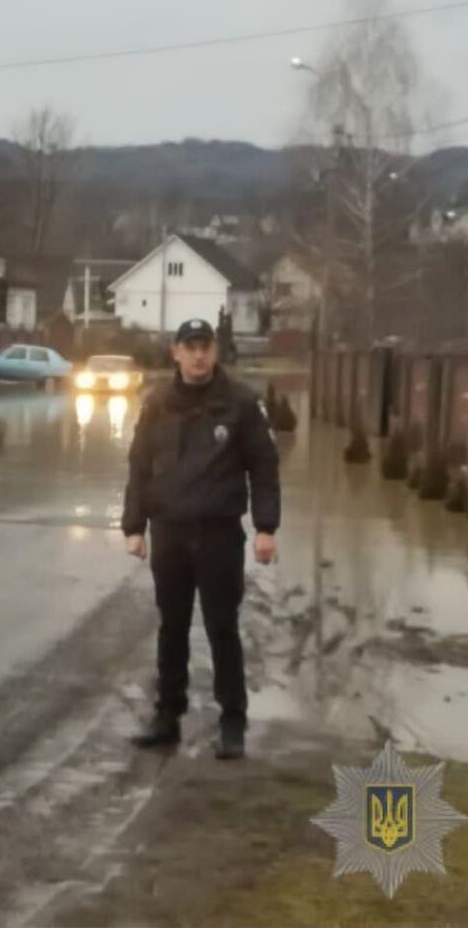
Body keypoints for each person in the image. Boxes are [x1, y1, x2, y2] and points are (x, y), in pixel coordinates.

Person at [122, 318, 279, 759]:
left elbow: (264, 469)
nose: (197, 355)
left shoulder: (241, 404)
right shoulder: (157, 404)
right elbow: (138, 467)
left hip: (218, 535)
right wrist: (133, 526)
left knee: (221, 629)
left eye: (204, 347)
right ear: (175, 352)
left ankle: (233, 722)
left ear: (215, 352)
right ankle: (167, 717)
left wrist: (266, 528)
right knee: (171, 628)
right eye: (189, 347)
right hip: (169, 532)